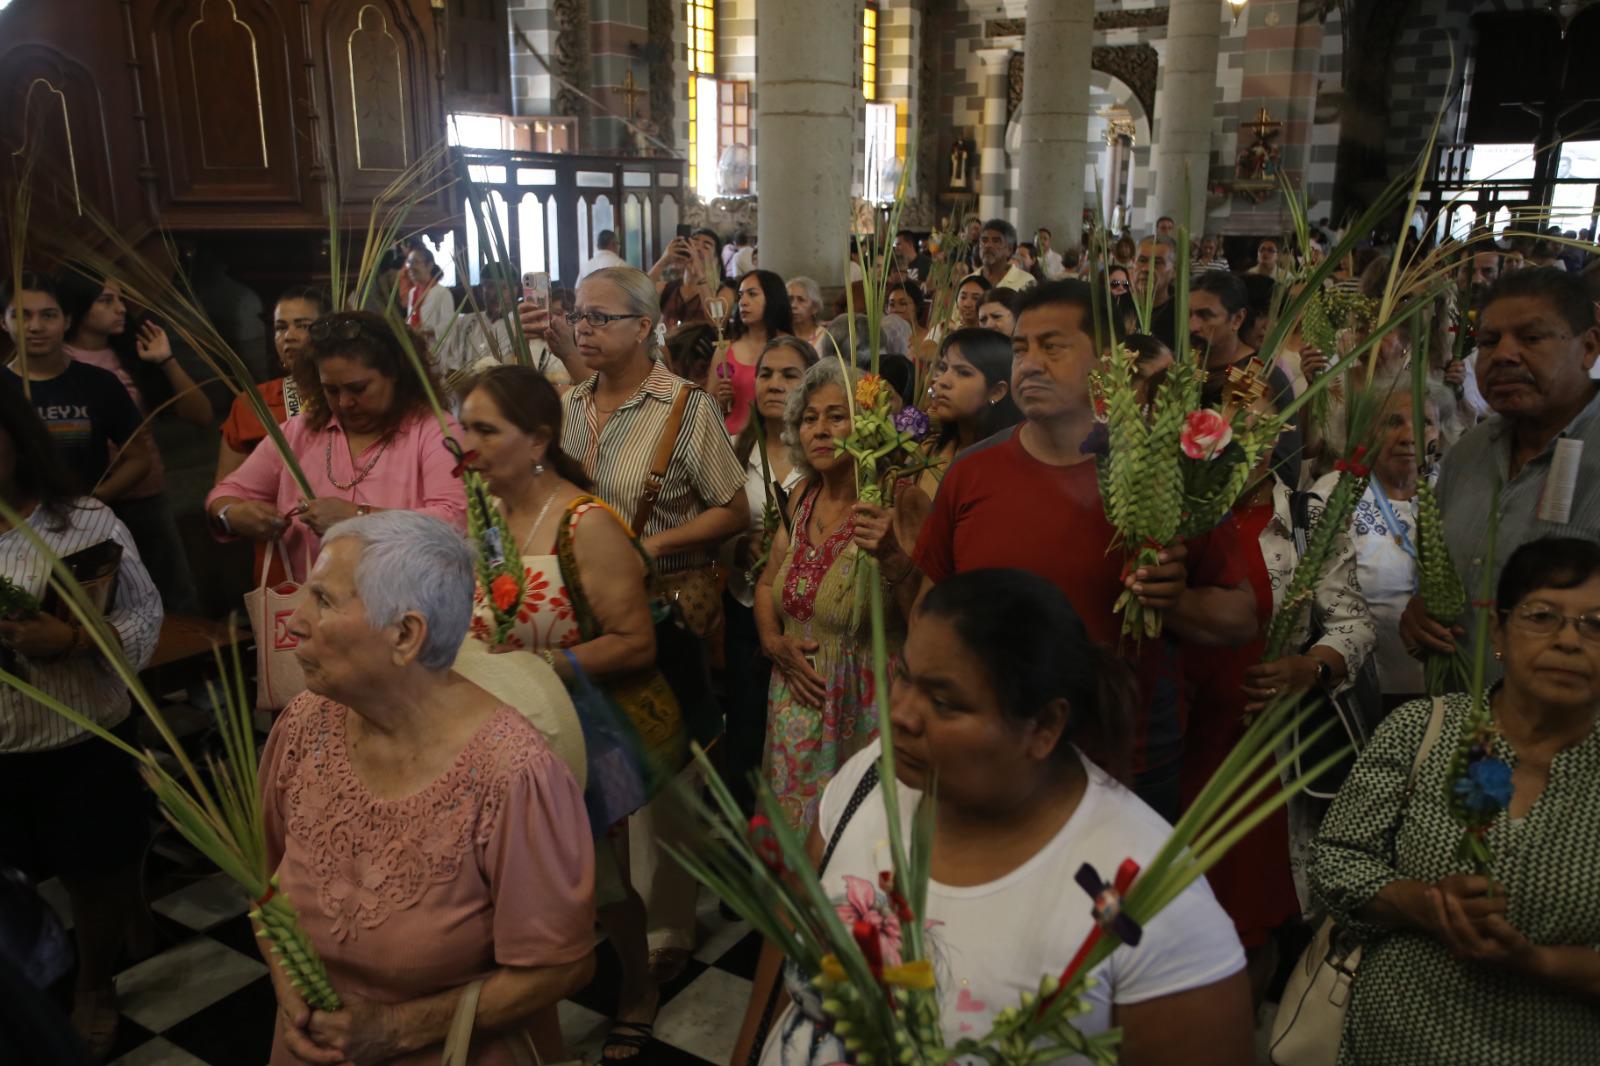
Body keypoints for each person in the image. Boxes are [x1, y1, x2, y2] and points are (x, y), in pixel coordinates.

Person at [731, 569, 1253, 1066]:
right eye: (905, 678)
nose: (900, 715)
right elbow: (790, 946)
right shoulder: (871, 776)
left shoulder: (1150, 901)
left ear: (1044, 725)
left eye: (944, 701)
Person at [906, 281, 1257, 819]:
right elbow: (929, 609)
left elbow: (1239, 617)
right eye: (1021, 348)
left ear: (1107, 362)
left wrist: (1174, 600)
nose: (1030, 364)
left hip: (1126, 768)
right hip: (994, 759)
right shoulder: (972, 472)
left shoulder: (1163, 471)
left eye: (1054, 346)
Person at [260, 511, 595, 1066]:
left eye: (322, 600)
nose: (295, 621)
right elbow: (265, 882)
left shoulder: (512, 775)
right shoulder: (303, 724)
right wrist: (288, 984)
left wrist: (394, 1029)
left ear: (404, 634)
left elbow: (562, 965)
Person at [458, 366, 682, 1062]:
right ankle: (525, 996)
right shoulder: (487, 511)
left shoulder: (586, 521)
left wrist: (545, 668)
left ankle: (636, 986)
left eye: (484, 429)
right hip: (503, 725)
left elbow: (635, 641)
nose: (466, 442)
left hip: (582, 728)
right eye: (463, 425)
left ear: (538, 441)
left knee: (601, 878)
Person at [1311, 536, 1600, 1066]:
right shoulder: (1426, 728)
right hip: (1395, 1042)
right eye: (1542, 616)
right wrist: (1420, 903)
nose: (1568, 641)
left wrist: (1536, 961)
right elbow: (1333, 861)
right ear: (1500, 635)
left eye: (1596, 625)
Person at [553, 266, 747, 984]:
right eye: (578, 316)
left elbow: (734, 507)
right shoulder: (569, 406)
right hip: (585, 614)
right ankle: (609, 907)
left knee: (665, 773)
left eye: (601, 317)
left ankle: (669, 920)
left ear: (646, 326)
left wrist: (649, 548)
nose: (584, 329)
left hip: (661, 610)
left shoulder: (681, 407)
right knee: (596, 762)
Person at [1180, 385, 1373, 996]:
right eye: (1230, 429)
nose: (1245, 445)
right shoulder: (1172, 514)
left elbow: (1353, 623)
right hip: (1174, 736)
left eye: (1263, 431)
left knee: (1245, 919)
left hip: (1257, 746)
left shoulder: (1304, 518)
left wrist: (1309, 668)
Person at [0, 378, 163, 1059]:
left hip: (82, 737)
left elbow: (145, 615)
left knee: (98, 872)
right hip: (4, 746)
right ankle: (25, 992)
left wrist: (70, 642)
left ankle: (96, 983)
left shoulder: (86, 520)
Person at [1400, 268, 1600, 673]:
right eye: (1489, 341)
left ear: (1590, 348)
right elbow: (1437, 569)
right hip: (1462, 716)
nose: (1504, 355)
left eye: (1531, 338)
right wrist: (1421, 611)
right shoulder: (1469, 452)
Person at [754, 360, 906, 831]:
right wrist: (774, 643)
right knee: (795, 852)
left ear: (869, 424)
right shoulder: (802, 499)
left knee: (854, 852)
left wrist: (895, 557)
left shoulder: (895, 499)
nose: (819, 430)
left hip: (864, 709)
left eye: (836, 416)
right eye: (809, 418)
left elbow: (929, 605)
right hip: (793, 709)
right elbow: (765, 584)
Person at [206, 311, 469, 583]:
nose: (344, 403)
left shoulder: (434, 430)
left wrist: (358, 518)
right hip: (312, 609)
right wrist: (233, 514)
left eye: (358, 389)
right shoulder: (301, 431)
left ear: (395, 375)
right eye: (331, 390)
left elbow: (455, 520)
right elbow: (225, 493)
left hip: (406, 602)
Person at [59, 270, 206, 614]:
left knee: (174, 597)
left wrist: (166, 360)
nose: (121, 308)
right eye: (106, 300)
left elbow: (200, 415)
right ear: (78, 307)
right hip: (83, 502)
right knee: (102, 606)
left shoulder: (131, 354)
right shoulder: (59, 359)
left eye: (120, 299)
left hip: (146, 494)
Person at [725, 338, 816, 815]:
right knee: (744, 736)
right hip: (744, 611)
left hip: (807, 625)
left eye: (789, 375)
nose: (775, 385)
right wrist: (740, 547)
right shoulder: (734, 450)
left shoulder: (823, 454)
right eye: (766, 374)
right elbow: (715, 520)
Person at [1, 274, 149, 506]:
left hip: (87, 525)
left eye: (48, 315)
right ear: (3, 321)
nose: (35, 327)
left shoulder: (100, 383)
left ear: (67, 321)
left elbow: (139, 458)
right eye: (21, 315)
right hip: (14, 528)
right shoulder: (3, 387)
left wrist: (92, 501)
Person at [1348, 379, 1448, 707]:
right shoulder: (1337, 498)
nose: (1409, 437)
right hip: (1363, 689)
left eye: (1425, 423)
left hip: (1452, 687)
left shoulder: (1456, 492)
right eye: (1393, 422)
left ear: (1440, 434)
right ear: (1365, 432)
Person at [890, 327, 1021, 552]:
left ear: (997, 392)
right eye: (943, 368)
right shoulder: (927, 451)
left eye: (963, 372)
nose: (941, 382)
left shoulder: (1010, 466)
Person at [1188, 270, 1302, 487]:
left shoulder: (1262, 379)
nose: (1193, 326)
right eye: (1188, 314)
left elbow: (1280, 469)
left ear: (1237, 319)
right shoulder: (1185, 369)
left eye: (1205, 315)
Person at [218, 286, 328, 484]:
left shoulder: (348, 398)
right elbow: (223, 494)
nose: (288, 336)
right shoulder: (253, 404)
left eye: (302, 326)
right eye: (280, 328)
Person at [711, 269, 794, 436]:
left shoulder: (790, 347)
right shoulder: (724, 350)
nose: (743, 302)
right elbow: (708, 406)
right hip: (730, 441)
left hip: (776, 440)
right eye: (740, 296)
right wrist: (720, 400)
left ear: (772, 299)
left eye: (752, 294)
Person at [652, 228, 734, 330]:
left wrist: (699, 273)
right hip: (665, 345)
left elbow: (716, 320)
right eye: (693, 243)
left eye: (706, 246)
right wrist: (663, 261)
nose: (697, 249)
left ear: (716, 260)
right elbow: (635, 295)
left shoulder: (723, 292)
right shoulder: (666, 288)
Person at [400, 244, 455, 345]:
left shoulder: (442, 293)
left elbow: (448, 328)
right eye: (409, 263)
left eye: (415, 262)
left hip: (435, 351)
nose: (410, 268)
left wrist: (425, 332)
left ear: (429, 265)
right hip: (415, 348)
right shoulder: (412, 292)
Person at [1134, 235, 1179, 348]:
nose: (1146, 268)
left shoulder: (1181, 315)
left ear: (1174, 271)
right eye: (1142, 260)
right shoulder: (1117, 304)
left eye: (1157, 263)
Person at [974, 218, 1037, 291]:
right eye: (984, 240)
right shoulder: (969, 281)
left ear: (1010, 249)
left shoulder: (1026, 282)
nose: (988, 245)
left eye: (996, 241)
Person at [786, 276, 829, 350]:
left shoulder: (826, 338)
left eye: (801, 300)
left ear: (815, 307)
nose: (793, 305)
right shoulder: (780, 336)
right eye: (790, 299)